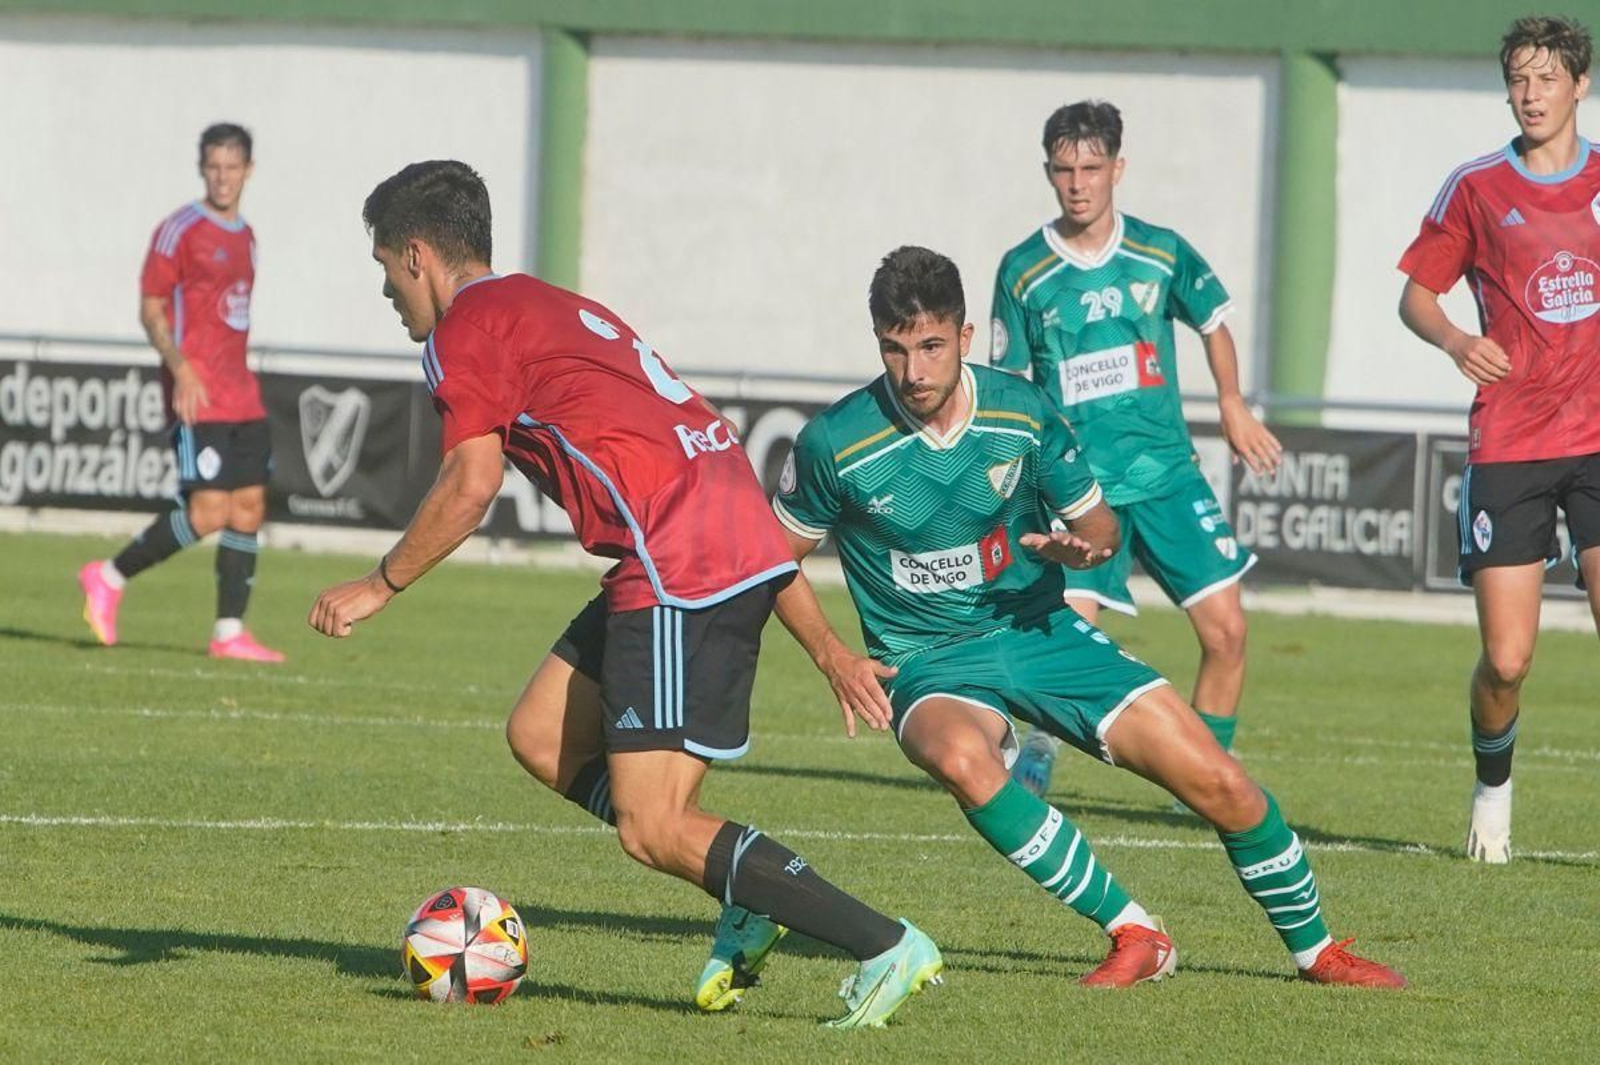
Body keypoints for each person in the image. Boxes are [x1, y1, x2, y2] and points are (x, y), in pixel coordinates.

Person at [307, 160, 941, 1028]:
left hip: (676, 561)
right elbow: (730, 490)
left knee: (653, 825)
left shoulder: (467, 328)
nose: (385, 289)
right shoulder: (556, 307)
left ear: (417, 253)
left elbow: (470, 478)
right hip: (696, 542)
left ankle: (884, 942)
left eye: (384, 266)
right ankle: (744, 889)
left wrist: (381, 584)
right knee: (539, 733)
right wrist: (827, 649)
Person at [759, 244, 1404, 989]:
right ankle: (1135, 931)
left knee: (1221, 782)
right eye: (895, 350)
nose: (914, 372)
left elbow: (1099, 527)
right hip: (928, 658)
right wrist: (835, 656)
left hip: (1041, 632)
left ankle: (1317, 952)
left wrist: (1086, 549)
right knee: (961, 759)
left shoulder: (1022, 412)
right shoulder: (835, 441)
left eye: (931, 346)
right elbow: (772, 558)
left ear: (965, 339)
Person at [989, 101, 1280, 799]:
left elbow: (1212, 322)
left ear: (1118, 169)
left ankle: (1209, 773)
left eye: (1092, 168)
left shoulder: (1161, 251)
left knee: (1228, 631)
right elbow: (1008, 383)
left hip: (1167, 476)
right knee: (1065, 646)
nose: (1078, 183)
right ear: (1049, 173)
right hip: (1080, 489)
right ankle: (1035, 744)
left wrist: (1232, 402)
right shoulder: (1024, 271)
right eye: (1064, 170)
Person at [1398, 15, 1600, 864]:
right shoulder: (1475, 187)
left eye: (1547, 78)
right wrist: (1454, 341)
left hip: (1596, 439)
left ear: (1579, 86)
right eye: (1518, 78)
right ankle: (1492, 793)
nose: (1530, 93)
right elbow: (1415, 296)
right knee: (1508, 661)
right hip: (1512, 442)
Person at [78, 123, 284, 662]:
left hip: (243, 392)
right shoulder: (179, 230)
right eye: (213, 166)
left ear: (249, 170)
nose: (222, 176)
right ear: (202, 168)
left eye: (231, 166)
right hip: (197, 392)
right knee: (209, 510)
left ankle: (229, 632)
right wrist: (181, 368)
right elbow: (150, 308)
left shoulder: (248, 236)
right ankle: (108, 575)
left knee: (248, 507)